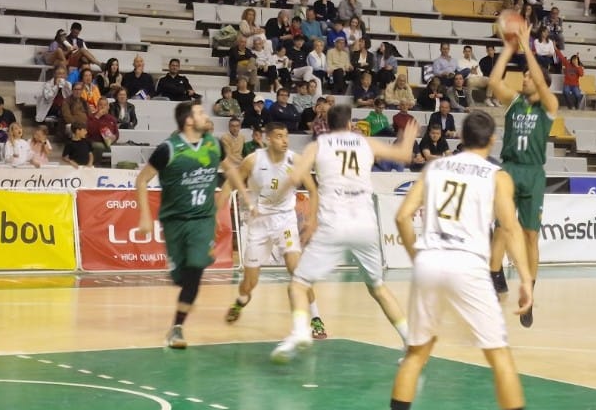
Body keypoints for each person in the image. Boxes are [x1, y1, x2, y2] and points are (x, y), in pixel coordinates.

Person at [380, 110, 558, 410]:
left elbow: (401, 217)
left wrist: (419, 256)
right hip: (469, 266)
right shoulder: (498, 176)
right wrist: (525, 279)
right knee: (499, 357)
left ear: (460, 136)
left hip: (431, 261)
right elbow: (509, 228)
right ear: (492, 140)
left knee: (415, 354)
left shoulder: (435, 168)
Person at [270, 105, 419, 360]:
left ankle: (301, 331)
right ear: (350, 124)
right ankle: (410, 342)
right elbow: (404, 155)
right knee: (379, 288)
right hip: (365, 225)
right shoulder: (364, 142)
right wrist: (410, 136)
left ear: (326, 125)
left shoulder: (317, 146)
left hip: (334, 224)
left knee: (298, 285)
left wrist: (274, 197)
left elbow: (294, 177)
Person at [134, 101, 248, 349]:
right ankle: (188, 280)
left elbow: (230, 170)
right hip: (174, 220)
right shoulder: (168, 149)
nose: (206, 116)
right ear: (188, 120)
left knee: (195, 269)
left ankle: (177, 328)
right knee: (181, 279)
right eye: (200, 113)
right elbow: (142, 179)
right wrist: (144, 216)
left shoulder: (214, 144)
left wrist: (246, 198)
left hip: (203, 219)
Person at [225, 125, 327, 343]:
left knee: (297, 270)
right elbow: (233, 179)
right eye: (279, 136)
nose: (284, 140)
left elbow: (312, 189)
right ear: (269, 139)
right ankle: (241, 300)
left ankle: (316, 318)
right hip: (259, 222)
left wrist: (311, 219)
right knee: (249, 283)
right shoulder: (253, 160)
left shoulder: (295, 161)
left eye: (286, 135)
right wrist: (220, 203)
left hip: (286, 220)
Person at [485, 32, 558, 329]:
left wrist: (527, 47)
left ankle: (529, 290)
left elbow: (540, 81)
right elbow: (493, 82)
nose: (524, 79)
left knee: (530, 235)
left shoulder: (549, 105)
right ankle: (494, 276)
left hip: (534, 172)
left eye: (527, 76)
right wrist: (507, 49)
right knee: (503, 225)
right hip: (511, 168)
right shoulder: (514, 101)